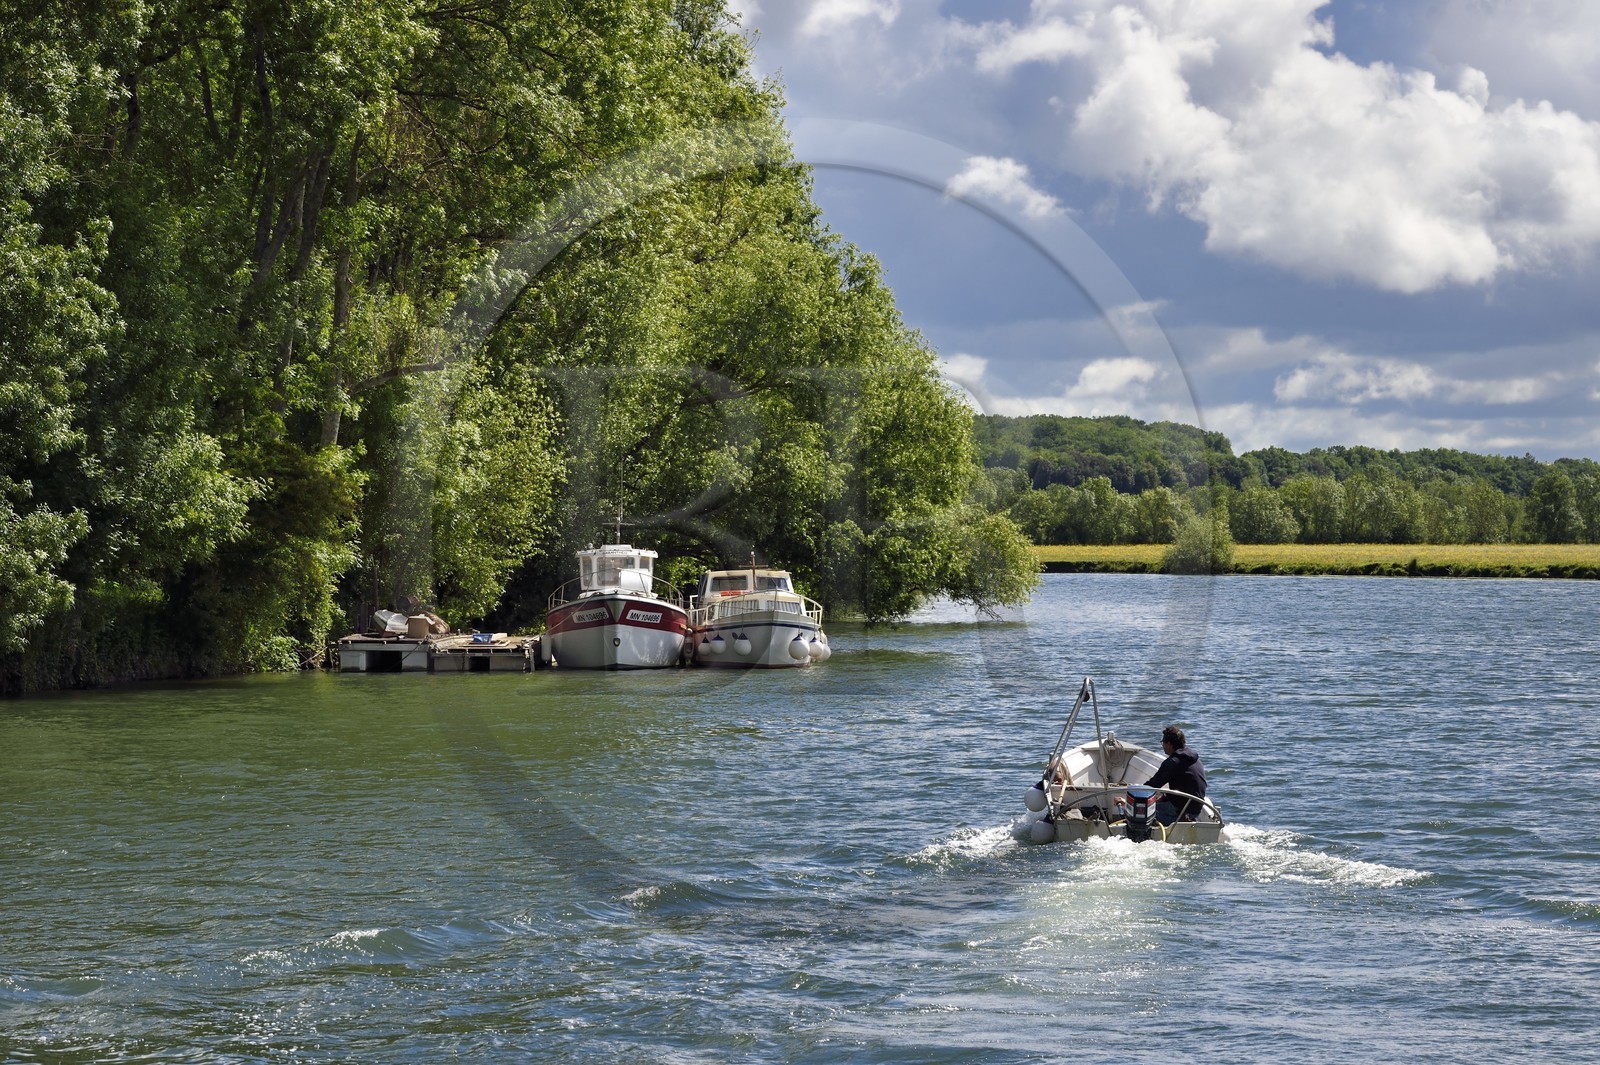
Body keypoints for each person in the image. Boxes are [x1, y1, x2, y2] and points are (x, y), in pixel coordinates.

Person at [1144, 725, 1206, 825]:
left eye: (1162, 742)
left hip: (1180, 810)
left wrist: (1133, 792)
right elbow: (1185, 786)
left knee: (1142, 811)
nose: (1162, 745)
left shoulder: (1172, 762)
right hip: (1196, 809)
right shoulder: (1195, 759)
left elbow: (1153, 785)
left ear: (1168, 743)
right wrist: (1164, 797)